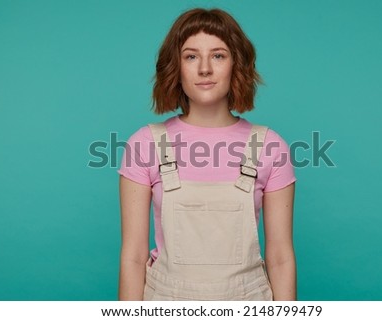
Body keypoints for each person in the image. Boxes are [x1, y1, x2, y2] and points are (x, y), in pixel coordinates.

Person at [118, 8, 296, 301]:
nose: (204, 69)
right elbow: (133, 258)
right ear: (176, 66)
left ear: (236, 64)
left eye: (218, 55)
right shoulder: (144, 144)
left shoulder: (270, 146)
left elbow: (280, 258)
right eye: (191, 56)